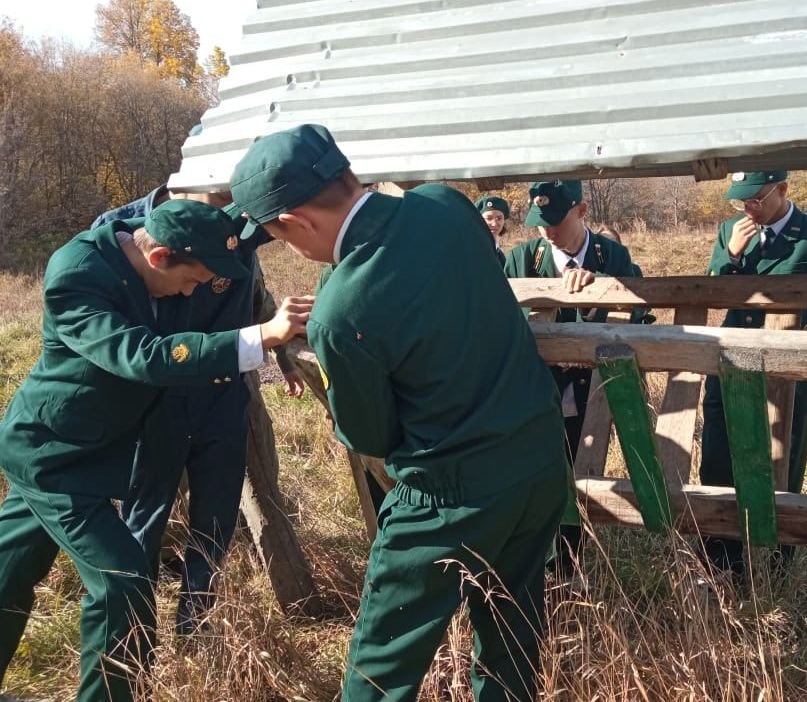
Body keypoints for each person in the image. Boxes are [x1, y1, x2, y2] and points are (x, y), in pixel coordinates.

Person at [228, 124, 569, 702]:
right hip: (538, 461)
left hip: (449, 493)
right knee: (512, 640)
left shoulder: (341, 313)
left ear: (296, 224)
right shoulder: (445, 204)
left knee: (380, 668)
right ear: (346, 174)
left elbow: (369, 433)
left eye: (276, 236)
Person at [0, 200, 311, 702]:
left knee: (8, 570)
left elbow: (244, 224)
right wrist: (261, 335)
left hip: (86, 450)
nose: (191, 295)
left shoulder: (152, 254)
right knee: (122, 580)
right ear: (161, 256)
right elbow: (142, 356)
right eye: (193, 281)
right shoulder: (77, 273)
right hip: (54, 457)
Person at [91, 181, 304, 635]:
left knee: (215, 520)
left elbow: (261, 288)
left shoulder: (241, 229)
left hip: (222, 395)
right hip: (155, 402)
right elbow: (116, 336)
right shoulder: (119, 228)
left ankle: (197, 629)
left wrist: (284, 354)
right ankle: (131, 638)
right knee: (143, 521)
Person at [701, 171, 807, 575]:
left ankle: (772, 571)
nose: (747, 209)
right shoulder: (730, 232)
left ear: (782, 191)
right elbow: (710, 293)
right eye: (740, 202)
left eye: (756, 200)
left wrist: (783, 316)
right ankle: (719, 566)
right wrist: (731, 256)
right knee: (718, 462)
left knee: (780, 468)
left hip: (785, 374)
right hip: (730, 367)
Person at [504, 180, 649, 573]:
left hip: (590, 388)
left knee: (578, 469)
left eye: (556, 220)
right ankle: (540, 562)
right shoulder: (522, 258)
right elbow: (501, 318)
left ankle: (570, 563)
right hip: (535, 390)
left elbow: (636, 313)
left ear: (582, 211)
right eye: (539, 222)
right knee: (537, 471)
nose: (547, 231)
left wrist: (596, 294)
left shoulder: (611, 255)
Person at [473, 195, 510, 266]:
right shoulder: (475, 250)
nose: (494, 224)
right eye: (489, 218)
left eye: (499, 218)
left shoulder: (496, 249)